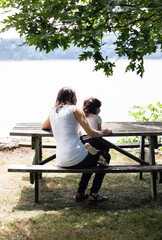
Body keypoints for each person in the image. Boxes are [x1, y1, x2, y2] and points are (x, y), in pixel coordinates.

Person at [42, 87, 112, 201]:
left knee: (91, 159)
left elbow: (44, 127)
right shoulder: (75, 109)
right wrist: (104, 132)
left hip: (61, 160)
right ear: (73, 97)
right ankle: (94, 194)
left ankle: (81, 192)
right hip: (77, 158)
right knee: (105, 157)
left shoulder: (53, 111)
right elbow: (92, 134)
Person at [80, 97, 111, 167]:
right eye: (99, 107)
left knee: (92, 150)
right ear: (96, 109)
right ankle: (101, 158)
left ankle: (87, 145)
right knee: (105, 147)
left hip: (82, 139)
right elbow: (99, 132)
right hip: (92, 138)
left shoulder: (83, 117)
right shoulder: (97, 117)